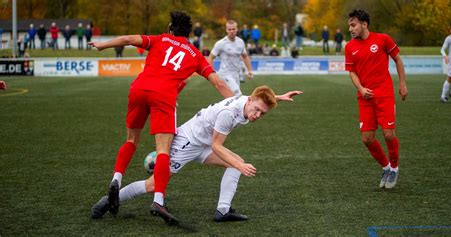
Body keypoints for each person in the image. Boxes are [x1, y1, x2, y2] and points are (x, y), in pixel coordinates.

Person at [88, 10, 234, 223]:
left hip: (139, 88)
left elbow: (129, 39)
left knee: (131, 140)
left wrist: (102, 45)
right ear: (189, 34)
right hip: (163, 96)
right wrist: (238, 103)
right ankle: (158, 200)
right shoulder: (195, 54)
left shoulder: (160, 39)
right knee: (163, 150)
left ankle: (116, 179)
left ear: (170, 29)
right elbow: (219, 83)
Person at [90, 86, 303, 223]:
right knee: (154, 185)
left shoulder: (250, 100)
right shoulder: (229, 114)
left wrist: (280, 97)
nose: (257, 115)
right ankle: (110, 199)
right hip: (188, 142)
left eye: (262, 113)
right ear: (249, 101)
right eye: (256, 110)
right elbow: (217, 146)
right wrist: (240, 167)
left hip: (202, 142)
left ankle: (222, 211)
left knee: (235, 162)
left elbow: (261, 97)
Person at [345, 9, 407, 189]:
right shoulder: (350, 47)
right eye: (349, 25)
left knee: (388, 134)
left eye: (353, 25)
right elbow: (352, 72)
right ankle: (386, 167)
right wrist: (361, 88)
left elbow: (398, 60)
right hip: (364, 97)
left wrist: (402, 84)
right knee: (367, 139)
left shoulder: (382, 39)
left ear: (364, 24)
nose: (350, 29)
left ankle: (394, 168)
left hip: (384, 94)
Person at [209, 20, 253, 96]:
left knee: (232, 99)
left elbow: (245, 56)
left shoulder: (240, 42)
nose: (231, 31)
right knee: (238, 94)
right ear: (226, 30)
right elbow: (211, 57)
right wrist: (212, 74)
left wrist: (249, 70)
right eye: (229, 29)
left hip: (236, 74)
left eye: (233, 29)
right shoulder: (221, 43)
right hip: (225, 74)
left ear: (237, 29)